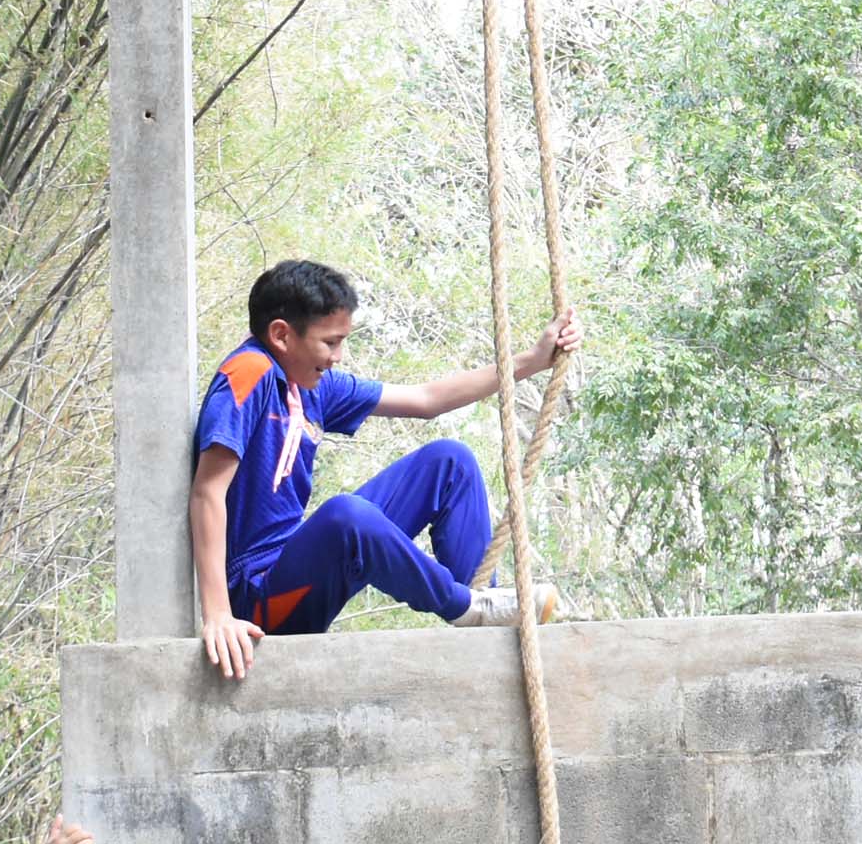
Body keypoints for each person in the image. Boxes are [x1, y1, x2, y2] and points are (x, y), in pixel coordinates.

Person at [194, 257, 579, 678]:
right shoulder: (249, 372)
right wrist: (218, 615)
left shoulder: (310, 386)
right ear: (281, 335)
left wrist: (532, 361)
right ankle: (465, 606)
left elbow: (426, 400)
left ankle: (487, 610)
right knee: (345, 515)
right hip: (260, 602)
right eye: (330, 342)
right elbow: (208, 491)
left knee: (449, 462)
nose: (338, 356)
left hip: (301, 565)